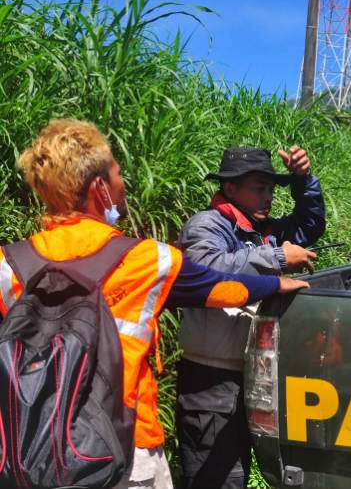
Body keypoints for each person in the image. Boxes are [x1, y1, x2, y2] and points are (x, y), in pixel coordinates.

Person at [1, 119, 309, 489]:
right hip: (125, 447)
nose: (123, 184)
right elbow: (224, 287)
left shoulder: (9, 264)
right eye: (117, 173)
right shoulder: (146, 260)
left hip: (28, 449)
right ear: (100, 188)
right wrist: (278, 280)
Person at [176, 146, 325, 488]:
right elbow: (209, 270)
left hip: (255, 374)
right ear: (230, 189)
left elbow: (310, 224)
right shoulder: (205, 225)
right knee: (216, 478)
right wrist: (277, 258)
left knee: (246, 474)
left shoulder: (263, 230)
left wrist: (303, 181)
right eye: (259, 188)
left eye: (271, 189)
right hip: (211, 380)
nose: (268, 197)